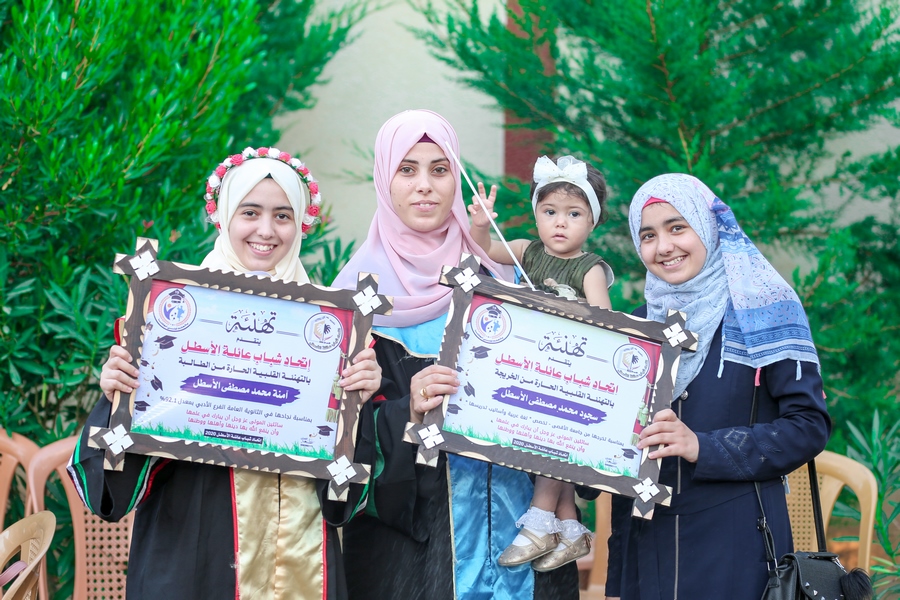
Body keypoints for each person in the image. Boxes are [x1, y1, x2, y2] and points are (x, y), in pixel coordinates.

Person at [68, 147, 381, 600]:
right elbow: (112, 490)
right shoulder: (172, 318)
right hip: (191, 556)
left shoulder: (330, 333)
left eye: (282, 216)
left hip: (299, 561)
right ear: (224, 216)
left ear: (300, 225)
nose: (266, 230)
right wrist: (120, 395)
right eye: (250, 212)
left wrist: (356, 405)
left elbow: (347, 496)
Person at [333, 109, 593, 599]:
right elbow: (337, 454)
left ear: (457, 178)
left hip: (526, 544)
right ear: (384, 179)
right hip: (412, 562)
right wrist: (407, 413)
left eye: (440, 169)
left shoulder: (508, 282)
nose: (424, 186)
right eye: (406, 169)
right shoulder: (355, 304)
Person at [604, 173, 831, 600]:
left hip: (738, 549)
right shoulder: (638, 325)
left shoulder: (764, 311)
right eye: (648, 235)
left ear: (709, 227)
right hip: (649, 555)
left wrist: (702, 447)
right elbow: (619, 452)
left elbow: (808, 426)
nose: (663, 247)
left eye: (677, 227)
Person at [468, 155, 614, 571]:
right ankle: (569, 526)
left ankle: (538, 520)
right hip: (531, 367)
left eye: (573, 214)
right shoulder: (524, 251)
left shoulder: (589, 270)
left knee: (556, 440)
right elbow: (484, 248)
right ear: (536, 215)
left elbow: (606, 326)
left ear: (592, 221)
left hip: (571, 371)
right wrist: (480, 223)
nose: (560, 223)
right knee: (545, 441)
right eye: (549, 212)